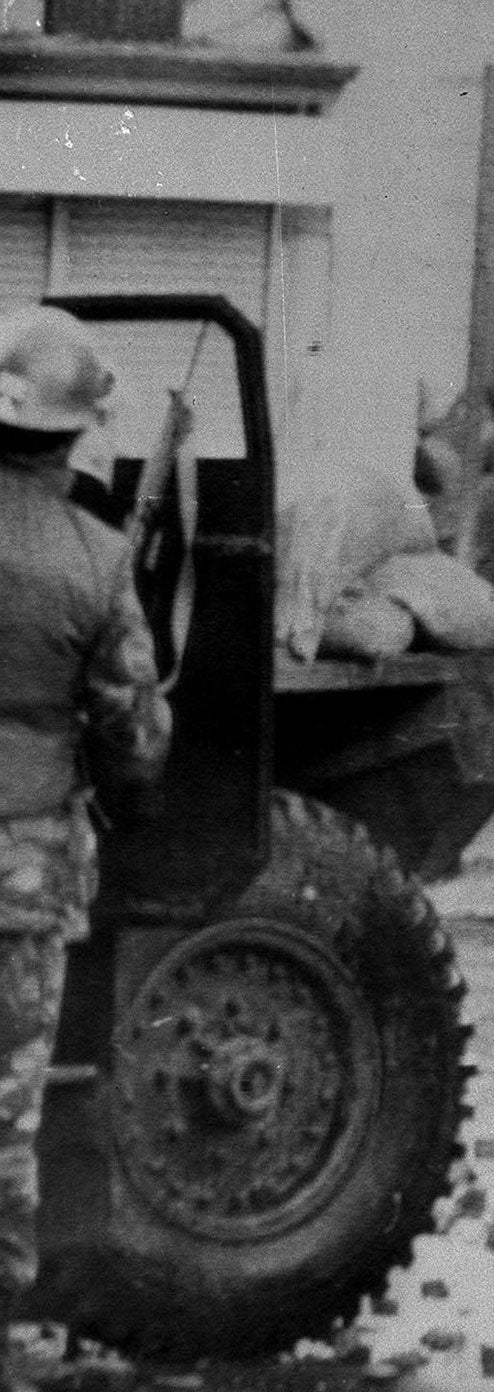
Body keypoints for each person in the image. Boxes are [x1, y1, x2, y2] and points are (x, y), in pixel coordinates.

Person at [0, 307, 171, 1352]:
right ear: (77, 433)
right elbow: (134, 739)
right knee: (4, 1118)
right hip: (20, 873)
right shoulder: (96, 560)